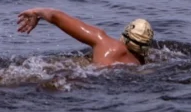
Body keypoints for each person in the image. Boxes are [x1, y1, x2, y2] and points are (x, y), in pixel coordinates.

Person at [17, 8, 154, 67]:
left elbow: (56, 17)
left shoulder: (108, 44)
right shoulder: (140, 65)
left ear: (125, 35)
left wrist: (36, 12)